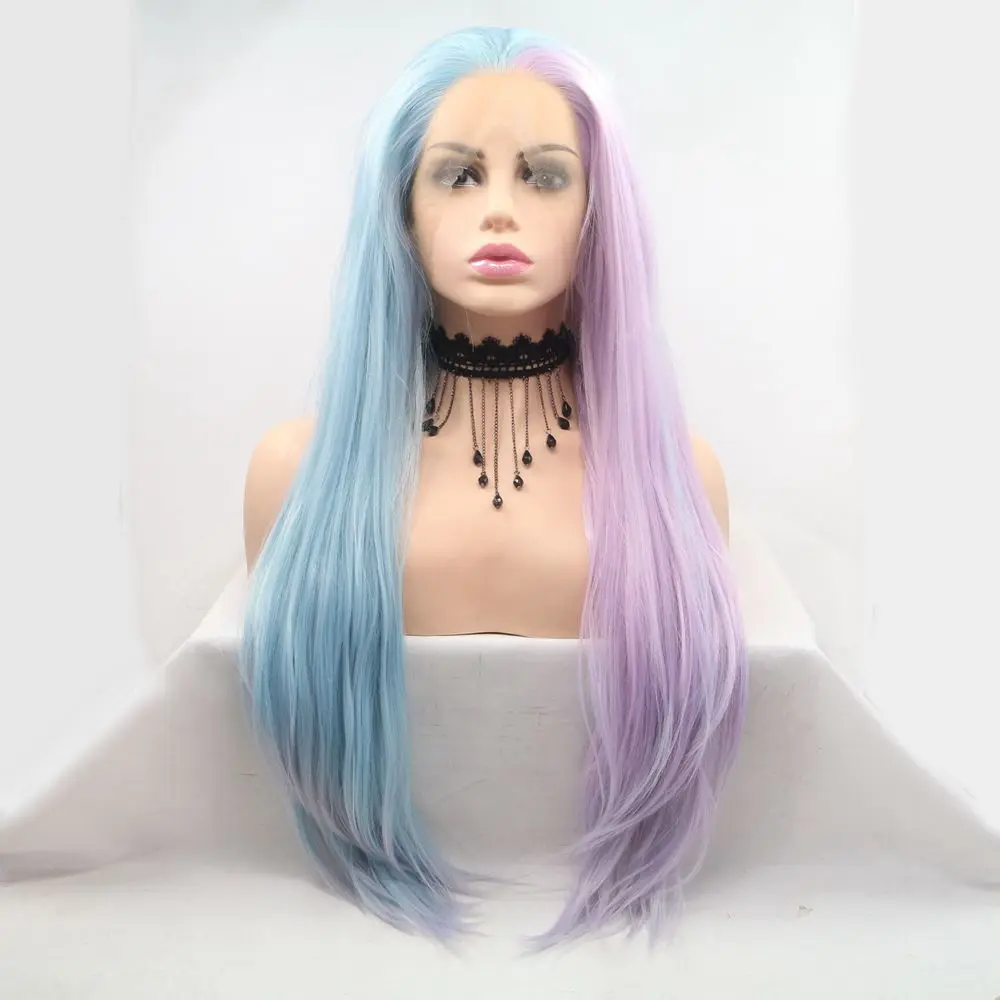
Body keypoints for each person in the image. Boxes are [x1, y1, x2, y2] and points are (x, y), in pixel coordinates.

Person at [239, 26, 748, 951]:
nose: (501, 211)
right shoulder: (294, 480)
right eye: (459, 175)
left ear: (596, 212)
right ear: (401, 208)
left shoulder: (684, 486)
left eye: (544, 176)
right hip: (334, 939)